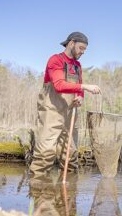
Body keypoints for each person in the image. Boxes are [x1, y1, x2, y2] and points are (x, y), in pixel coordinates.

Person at [30, 32, 101, 180]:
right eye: (81, 48)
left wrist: (80, 98)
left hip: (70, 112)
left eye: (84, 50)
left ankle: (68, 193)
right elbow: (59, 85)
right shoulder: (55, 60)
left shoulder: (77, 66)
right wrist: (85, 87)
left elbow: (78, 89)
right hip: (52, 110)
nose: (82, 52)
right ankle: (39, 190)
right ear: (71, 43)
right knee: (46, 150)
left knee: (70, 151)